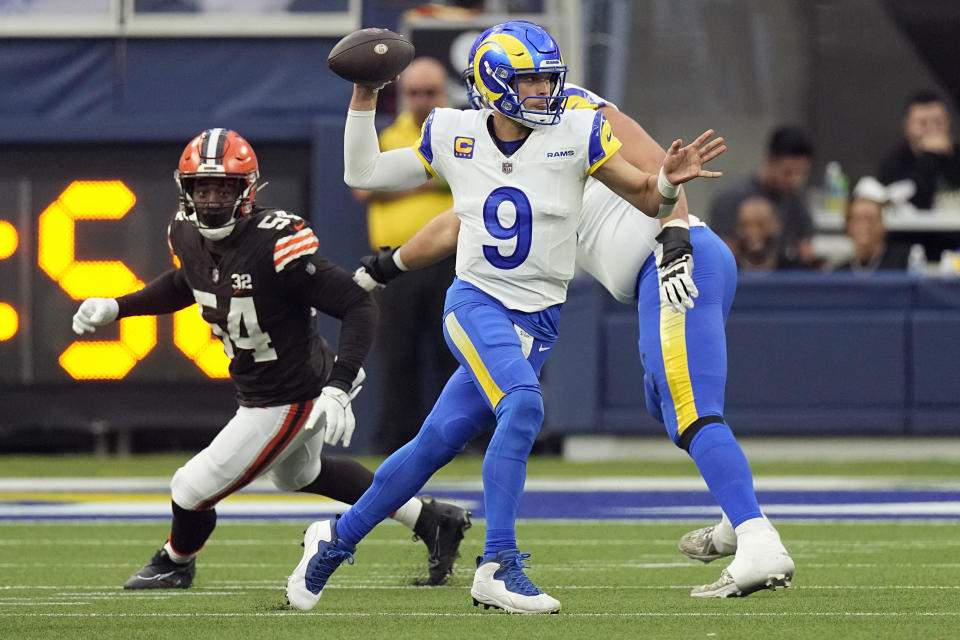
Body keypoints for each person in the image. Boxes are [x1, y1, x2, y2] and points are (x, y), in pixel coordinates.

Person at [285, 20, 725, 614]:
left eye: (548, 79)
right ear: (494, 85)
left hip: (540, 318)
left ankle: (333, 542)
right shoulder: (455, 132)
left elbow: (647, 197)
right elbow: (362, 174)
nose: (545, 91)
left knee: (433, 444)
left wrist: (669, 182)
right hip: (477, 301)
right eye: (531, 81)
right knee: (522, 406)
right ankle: (499, 563)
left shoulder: (578, 129)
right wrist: (364, 99)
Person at [70, 128, 471, 590]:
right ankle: (431, 521)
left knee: (189, 488)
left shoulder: (275, 242)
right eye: (203, 187)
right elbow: (190, 282)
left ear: (248, 191)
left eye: (224, 188)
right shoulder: (185, 233)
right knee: (303, 474)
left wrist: (338, 386)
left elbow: (357, 304)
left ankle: (175, 562)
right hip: (264, 387)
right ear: (187, 190)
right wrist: (120, 306)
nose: (212, 199)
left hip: (288, 394)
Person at [352, 57, 459, 454]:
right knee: (397, 356)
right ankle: (397, 439)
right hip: (395, 264)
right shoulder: (390, 136)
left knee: (456, 352)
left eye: (430, 92)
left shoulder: (458, 133)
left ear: (444, 93)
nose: (423, 100)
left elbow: (473, 177)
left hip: (451, 261)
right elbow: (363, 188)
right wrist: (429, 182)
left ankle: (464, 436)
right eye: (415, 92)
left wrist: (402, 180)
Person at [708, 126, 818, 266]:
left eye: (803, 173)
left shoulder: (797, 201)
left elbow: (806, 251)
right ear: (770, 161)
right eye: (788, 172)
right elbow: (722, 257)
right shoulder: (731, 199)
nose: (795, 181)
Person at [877, 89, 960, 210]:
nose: (932, 129)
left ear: (948, 123)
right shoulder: (894, 163)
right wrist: (930, 156)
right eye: (923, 123)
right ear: (907, 126)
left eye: (938, 122)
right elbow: (913, 201)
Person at [834, 177, 910, 272]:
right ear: (847, 226)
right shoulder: (839, 273)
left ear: (882, 224)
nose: (863, 226)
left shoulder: (902, 264)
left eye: (870, 219)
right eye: (857, 220)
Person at [733, 196, 808, 272]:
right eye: (745, 225)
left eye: (761, 224)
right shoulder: (726, 271)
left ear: (776, 226)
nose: (753, 231)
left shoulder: (795, 271)